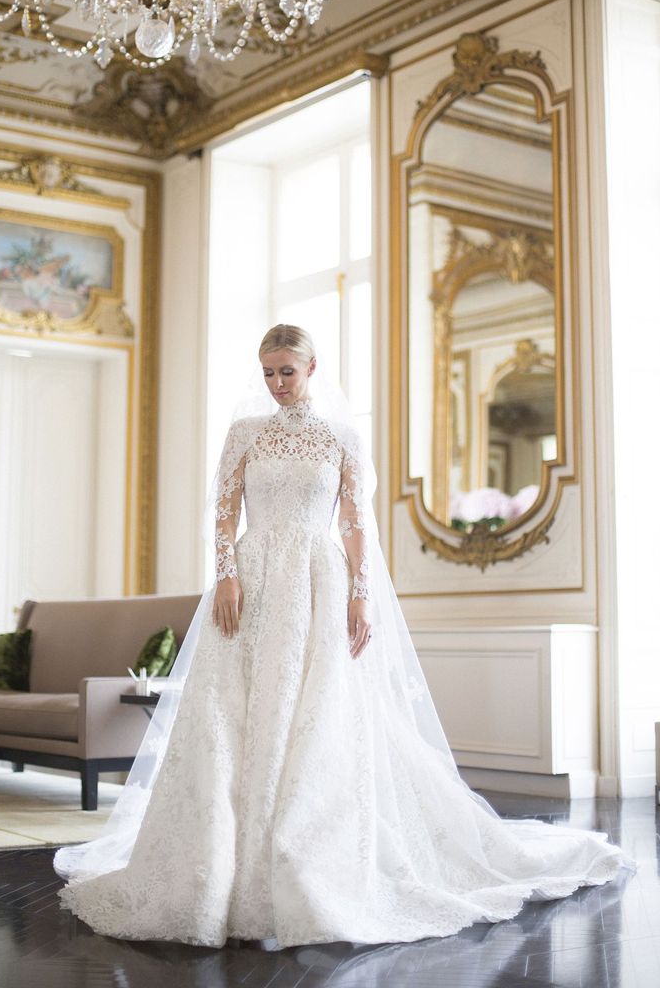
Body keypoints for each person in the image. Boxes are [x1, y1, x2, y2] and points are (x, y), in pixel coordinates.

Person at [53, 324, 630, 947]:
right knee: (229, 714)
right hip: (251, 579)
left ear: (312, 367)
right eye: (268, 372)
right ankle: (221, 863)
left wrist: (360, 592)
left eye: (286, 372)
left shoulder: (341, 435)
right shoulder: (245, 432)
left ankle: (306, 854)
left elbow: (355, 520)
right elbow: (223, 510)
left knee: (317, 708)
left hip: (317, 581)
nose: (276, 384)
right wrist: (224, 576)